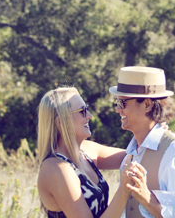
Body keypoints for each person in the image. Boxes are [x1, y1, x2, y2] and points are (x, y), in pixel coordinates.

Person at [109, 66, 175, 218]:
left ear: (147, 104)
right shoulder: (130, 155)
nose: (117, 109)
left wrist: (147, 199)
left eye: (122, 102)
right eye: (117, 101)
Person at [37, 86, 144, 218]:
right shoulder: (57, 169)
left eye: (87, 109)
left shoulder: (86, 150)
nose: (89, 116)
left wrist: (153, 128)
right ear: (61, 122)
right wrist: (123, 190)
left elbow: (136, 156)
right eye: (82, 111)